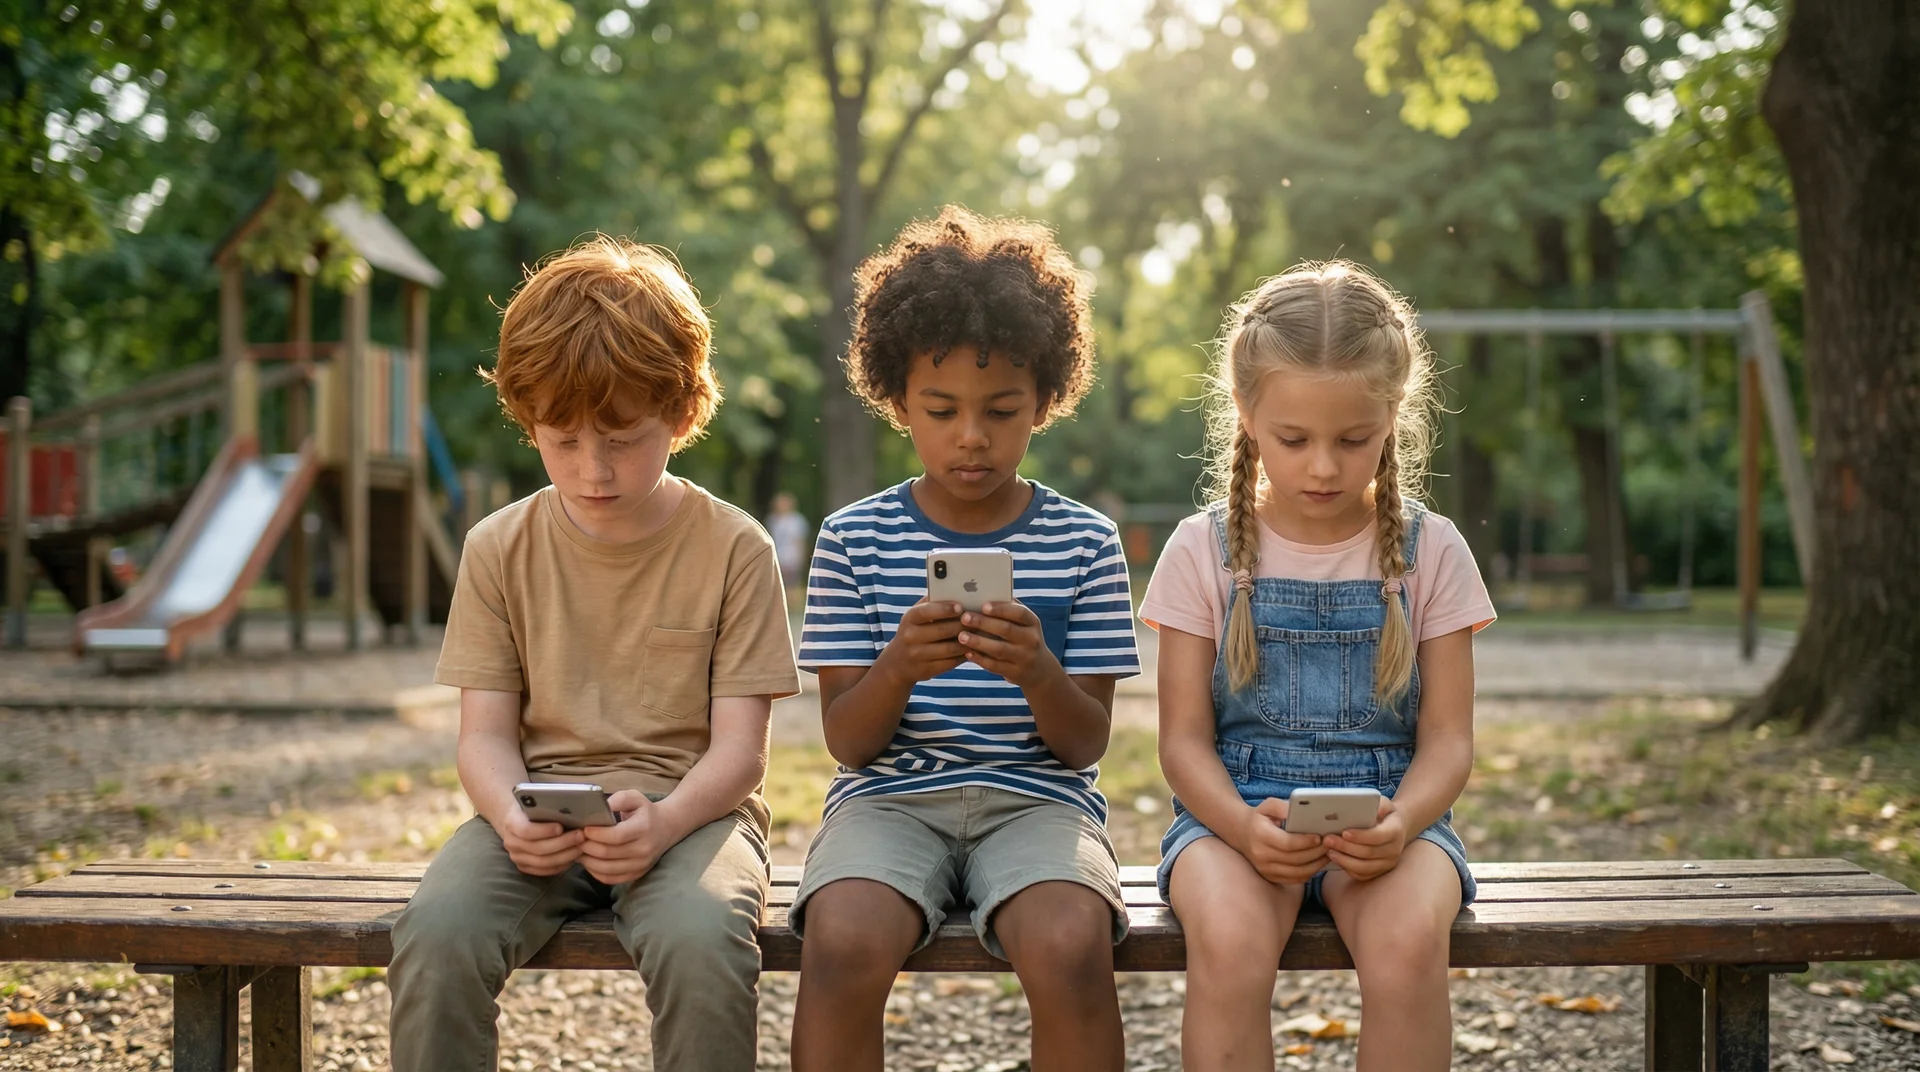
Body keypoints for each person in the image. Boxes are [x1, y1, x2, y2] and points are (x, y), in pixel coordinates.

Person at [386, 237, 801, 1072]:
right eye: (563, 439)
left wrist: (667, 822)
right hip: (537, 813)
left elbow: (741, 754)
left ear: (681, 413)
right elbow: (483, 737)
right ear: (527, 420)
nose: (593, 470)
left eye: (622, 438)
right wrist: (510, 815)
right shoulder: (496, 547)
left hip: (693, 817)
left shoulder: (736, 548)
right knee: (436, 934)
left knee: (702, 942)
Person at [789, 206, 1140, 1072]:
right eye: (941, 409)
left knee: (1069, 941)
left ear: (1045, 402)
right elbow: (848, 743)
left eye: (1002, 409)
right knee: (841, 940)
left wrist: (1039, 673)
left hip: (1039, 801)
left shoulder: (1087, 542)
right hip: (888, 801)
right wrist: (899, 668)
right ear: (897, 402)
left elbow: (1086, 744)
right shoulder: (853, 540)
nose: (972, 435)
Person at [1138, 261, 1495, 1071]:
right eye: (1294, 440)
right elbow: (1182, 743)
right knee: (1229, 943)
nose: (1324, 467)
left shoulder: (1433, 551)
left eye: (1353, 440)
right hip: (1232, 822)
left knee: (1408, 946)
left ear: (1392, 415)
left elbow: (1448, 741)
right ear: (1246, 414)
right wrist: (1241, 828)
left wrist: (1402, 823)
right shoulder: (1200, 550)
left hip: (1393, 823)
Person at [767, 490, 812, 596]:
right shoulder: (772, 520)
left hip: (792, 557)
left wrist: (801, 557)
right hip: (777, 556)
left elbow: (800, 541)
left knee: (792, 584)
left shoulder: (797, 521)